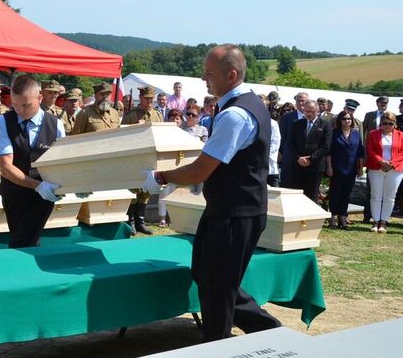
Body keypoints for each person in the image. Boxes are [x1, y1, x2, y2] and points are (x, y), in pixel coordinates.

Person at [144, 44, 281, 342]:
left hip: (235, 213)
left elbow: (201, 170)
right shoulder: (249, 104)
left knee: (218, 288)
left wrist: (161, 177)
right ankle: (271, 333)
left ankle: (219, 346)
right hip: (229, 209)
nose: (203, 78)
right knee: (208, 276)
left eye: (209, 73)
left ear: (231, 75)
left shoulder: (235, 115)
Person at [0, 74, 65, 248]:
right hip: (13, 194)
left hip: (43, 197)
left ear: (39, 98)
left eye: (25, 105)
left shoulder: (55, 124)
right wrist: (38, 186)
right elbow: (6, 167)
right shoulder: (3, 122)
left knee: (22, 241)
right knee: (24, 239)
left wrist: (71, 184)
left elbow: (61, 161)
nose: (19, 110)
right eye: (15, 104)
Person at [121, 86, 163, 235]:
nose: (149, 101)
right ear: (140, 98)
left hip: (150, 157)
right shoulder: (131, 115)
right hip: (135, 158)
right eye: (146, 98)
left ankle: (141, 222)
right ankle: (131, 221)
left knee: (146, 190)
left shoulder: (157, 115)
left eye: (151, 99)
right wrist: (135, 128)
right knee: (133, 189)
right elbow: (122, 136)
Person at [286, 99, 333, 203]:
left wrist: (311, 159)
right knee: (295, 197)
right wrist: (298, 158)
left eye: (311, 111)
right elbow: (290, 144)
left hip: (315, 167)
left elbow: (325, 146)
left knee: (311, 197)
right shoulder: (296, 124)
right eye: (306, 111)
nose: (308, 114)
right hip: (297, 166)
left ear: (317, 110)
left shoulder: (325, 125)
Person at [365, 112, 403, 233]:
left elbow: (402, 153)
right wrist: (381, 161)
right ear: (381, 123)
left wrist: (391, 163)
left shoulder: (401, 135)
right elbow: (370, 149)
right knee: (376, 195)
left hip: (395, 169)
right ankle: (375, 221)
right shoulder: (373, 134)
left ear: (395, 124)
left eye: (390, 124)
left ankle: (383, 222)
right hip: (376, 168)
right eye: (385, 123)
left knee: (390, 197)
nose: (387, 126)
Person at [326, 111, 364, 229]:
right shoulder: (334, 133)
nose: (347, 121)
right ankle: (332, 217)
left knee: (346, 194)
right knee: (335, 193)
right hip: (337, 168)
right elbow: (329, 152)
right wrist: (329, 166)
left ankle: (342, 217)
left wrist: (360, 168)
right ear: (340, 120)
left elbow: (360, 152)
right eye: (344, 119)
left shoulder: (356, 134)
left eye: (349, 119)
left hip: (351, 169)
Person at [278, 92, 308, 186]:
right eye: (298, 101)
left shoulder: (315, 118)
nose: (301, 103)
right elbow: (282, 138)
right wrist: (282, 153)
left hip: (307, 159)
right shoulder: (286, 118)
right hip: (290, 159)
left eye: (303, 101)